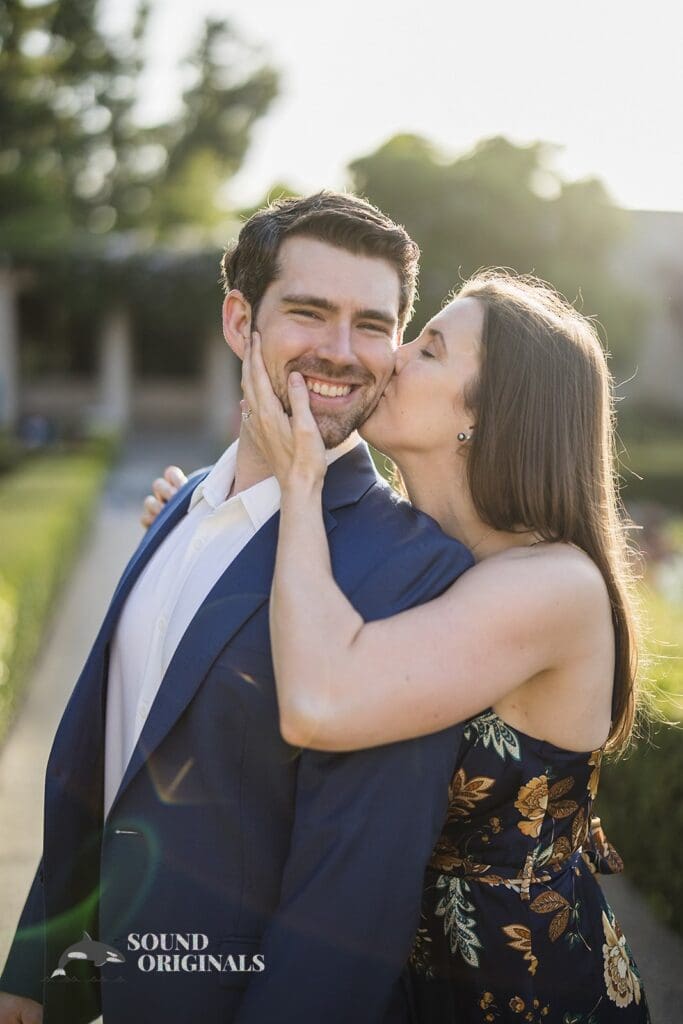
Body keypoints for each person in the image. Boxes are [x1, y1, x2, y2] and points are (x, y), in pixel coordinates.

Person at [0, 193, 473, 1024]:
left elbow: (350, 905)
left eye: (371, 324)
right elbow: (111, 756)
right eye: (308, 312)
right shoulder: (181, 505)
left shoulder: (414, 571)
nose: (340, 351)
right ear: (238, 321)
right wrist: (35, 971)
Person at [144, 270, 651, 1022]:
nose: (391, 357)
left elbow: (319, 703)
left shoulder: (552, 586)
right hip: (386, 979)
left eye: (429, 349)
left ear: (487, 414)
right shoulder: (415, 561)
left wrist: (301, 481)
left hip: (521, 991)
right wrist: (202, 535)